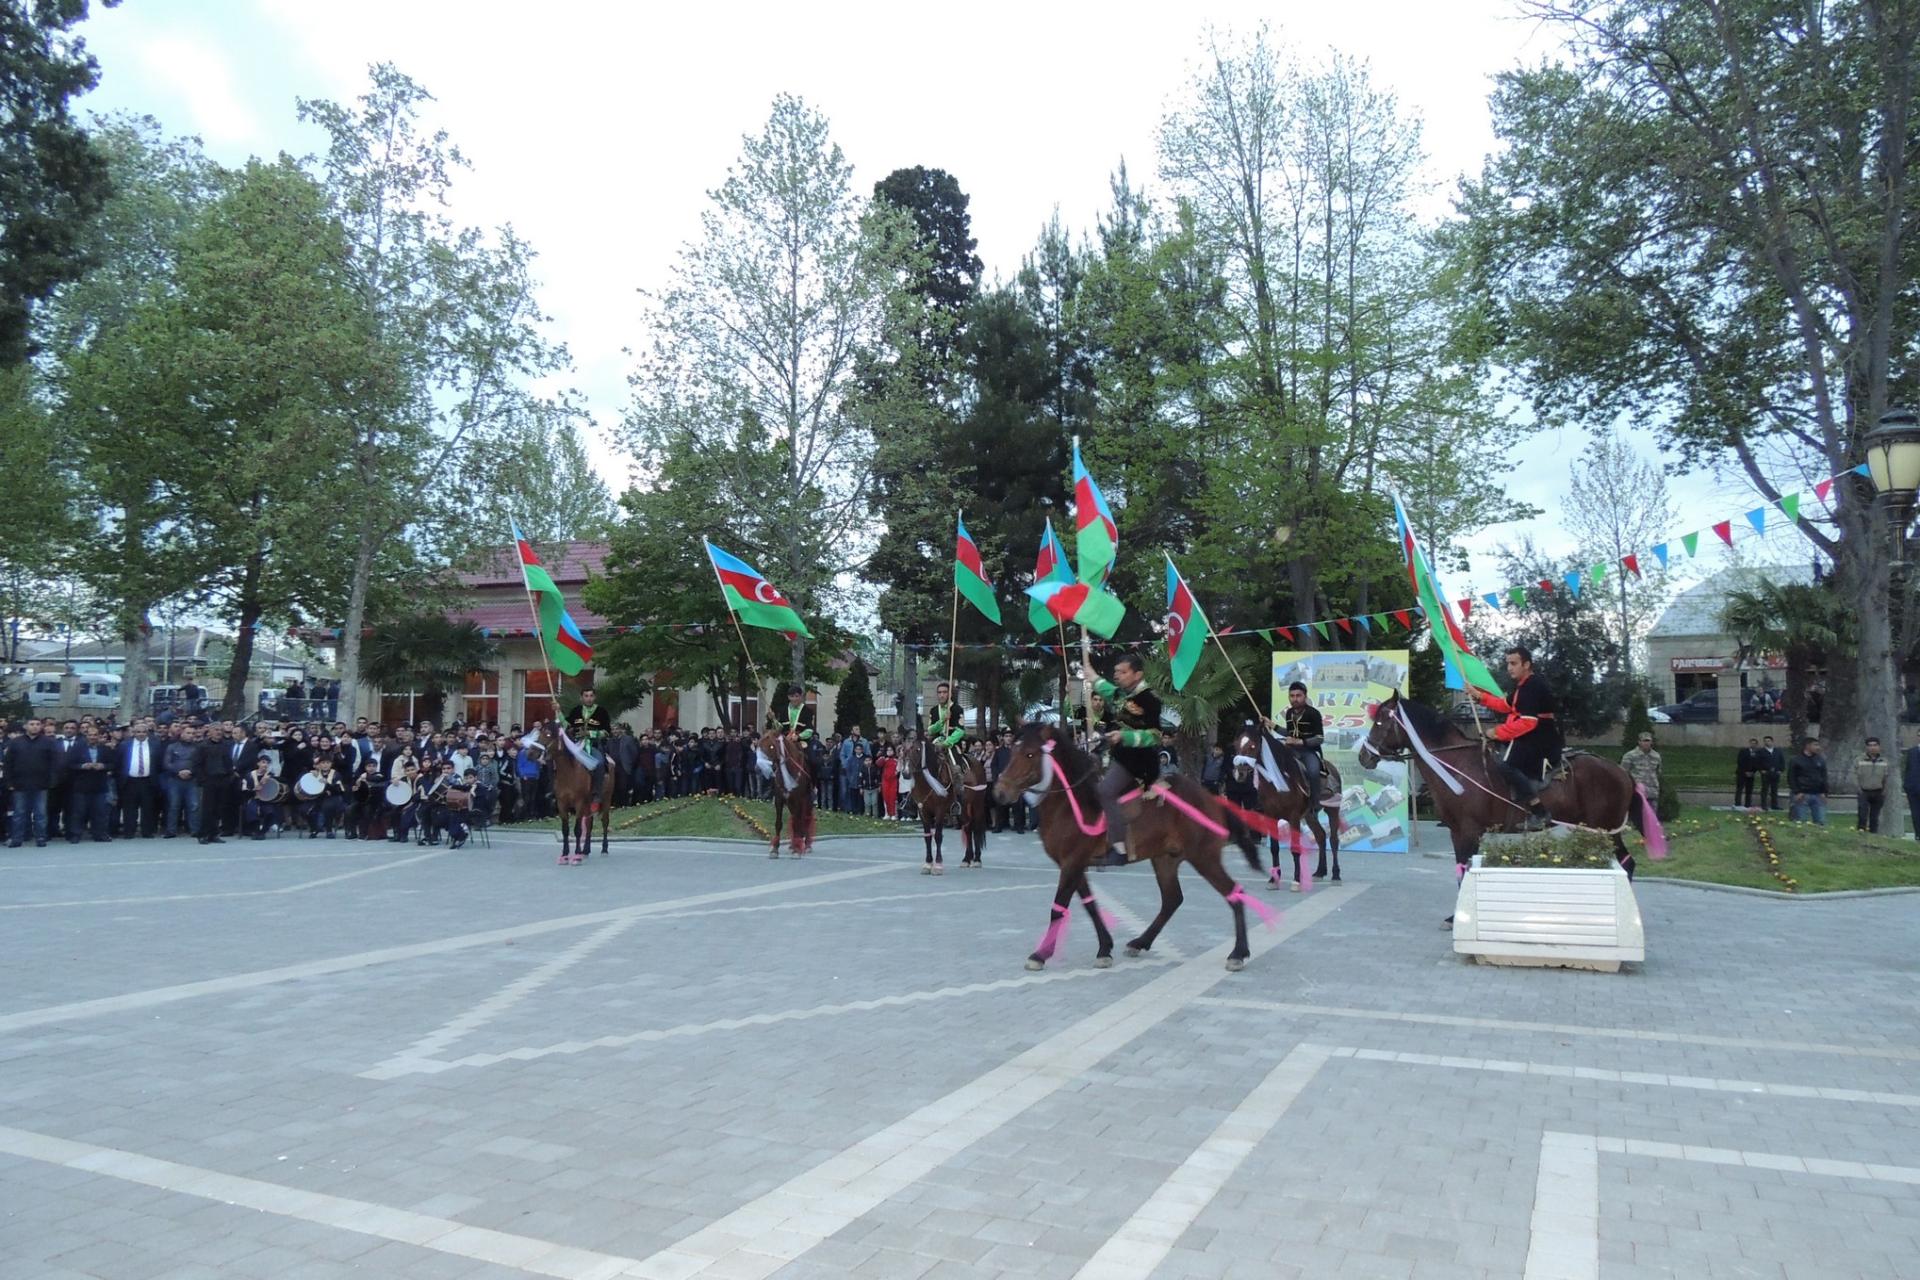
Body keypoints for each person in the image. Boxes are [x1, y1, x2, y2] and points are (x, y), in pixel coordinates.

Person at [1475, 646, 1563, 832]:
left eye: (1513, 663)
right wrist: (1480, 697)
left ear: (1527, 664)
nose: (1509, 668)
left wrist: (1496, 732)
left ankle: (1539, 811)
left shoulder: (1532, 686)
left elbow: (1528, 723)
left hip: (1541, 739)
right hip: (1533, 735)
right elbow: (1506, 705)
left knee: (1505, 765)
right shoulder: (1523, 686)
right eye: (1508, 663)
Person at [1094, 653, 1165, 866]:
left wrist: (1123, 736)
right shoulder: (1121, 694)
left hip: (1137, 760)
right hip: (1119, 753)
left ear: (1138, 674)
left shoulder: (1150, 699)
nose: (1117, 676)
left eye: (1122, 672)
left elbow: (1154, 735)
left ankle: (1119, 847)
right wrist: (1090, 676)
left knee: (1105, 791)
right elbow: (1104, 687)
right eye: (1116, 672)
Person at [4, 718, 62, 848]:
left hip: (41, 784)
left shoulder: (48, 742)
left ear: (41, 727)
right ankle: (16, 839)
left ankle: (41, 837)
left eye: (37, 724)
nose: (35, 727)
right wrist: (9, 782)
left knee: (40, 813)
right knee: (19, 813)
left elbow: (54, 763)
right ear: (25, 726)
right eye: (31, 724)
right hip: (20, 784)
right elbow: (8, 764)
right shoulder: (16, 743)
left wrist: (52, 780)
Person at [65, 726, 114, 843]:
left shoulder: (105, 749)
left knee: (100, 812)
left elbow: (113, 764)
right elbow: (69, 764)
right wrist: (82, 766)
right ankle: (76, 834)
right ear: (86, 736)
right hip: (82, 786)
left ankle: (100, 834)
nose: (93, 737)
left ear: (98, 736)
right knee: (79, 812)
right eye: (90, 735)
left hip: (99, 785)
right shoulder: (77, 748)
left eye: (95, 735)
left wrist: (104, 766)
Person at [1281, 681, 1326, 798]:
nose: (1295, 699)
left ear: (1305, 697)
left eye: (1298, 696)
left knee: (1313, 772)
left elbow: (1319, 738)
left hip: (1308, 751)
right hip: (1290, 750)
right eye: (1292, 696)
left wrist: (1300, 742)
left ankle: (1315, 802)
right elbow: (1289, 734)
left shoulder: (1314, 713)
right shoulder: (1289, 713)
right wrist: (1272, 725)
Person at [116, 722, 160, 839]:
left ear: (148, 733)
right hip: (130, 781)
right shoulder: (125, 745)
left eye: (144, 732)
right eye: (138, 732)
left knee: (148, 807)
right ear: (133, 733)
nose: (141, 734)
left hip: (147, 780)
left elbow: (158, 764)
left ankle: (147, 832)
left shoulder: (155, 745)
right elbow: (119, 763)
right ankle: (129, 831)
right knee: (129, 808)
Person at [1787, 737, 1828, 825]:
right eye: (1815, 745)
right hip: (1802, 795)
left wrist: (1824, 792)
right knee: (1800, 821)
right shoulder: (1796, 760)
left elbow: (1824, 777)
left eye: (1818, 745)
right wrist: (1797, 792)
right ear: (1807, 746)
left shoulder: (1820, 760)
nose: (1818, 747)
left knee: (1821, 821)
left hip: (1818, 795)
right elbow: (1791, 777)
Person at [926, 683, 965, 771]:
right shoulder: (934, 710)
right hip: (935, 742)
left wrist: (946, 743)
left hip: (952, 744)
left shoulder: (957, 709)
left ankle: (958, 783)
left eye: (944, 692)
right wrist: (942, 720)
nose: (942, 695)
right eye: (939, 693)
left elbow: (960, 731)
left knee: (956, 769)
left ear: (950, 694)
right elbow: (930, 730)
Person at [1855, 737, 1889, 833]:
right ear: (1866, 747)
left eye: (1875, 745)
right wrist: (1858, 788)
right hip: (1864, 791)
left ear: (1879, 747)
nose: (1872, 748)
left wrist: (1884, 791)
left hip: (1878, 791)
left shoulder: (1884, 761)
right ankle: (1860, 834)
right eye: (1870, 745)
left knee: (1874, 817)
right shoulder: (1859, 760)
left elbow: (1886, 777)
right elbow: (1854, 775)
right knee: (1862, 815)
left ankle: (1873, 836)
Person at [1621, 732, 1662, 797]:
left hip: (1652, 791)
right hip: (1636, 791)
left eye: (1648, 741)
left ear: (1651, 742)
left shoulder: (1656, 756)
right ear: (1639, 742)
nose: (1646, 743)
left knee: (1652, 807)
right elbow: (1624, 773)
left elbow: (1658, 772)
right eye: (1644, 741)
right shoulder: (1629, 756)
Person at [1735, 737, 1764, 809]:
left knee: (1749, 790)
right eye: (1752, 743)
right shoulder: (1743, 751)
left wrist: (1753, 772)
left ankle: (1747, 804)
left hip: (1751, 774)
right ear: (1749, 743)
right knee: (1739, 789)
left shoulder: (1758, 753)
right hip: (1742, 773)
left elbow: (1758, 764)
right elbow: (1740, 762)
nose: (1753, 745)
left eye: (1754, 744)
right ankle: (1737, 804)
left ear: (1756, 745)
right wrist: (1745, 771)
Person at [1762, 735, 1785, 810]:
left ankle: (1774, 805)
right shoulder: (1761, 751)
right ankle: (1764, 805)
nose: (1767, 742)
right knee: (1765, 789)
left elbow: (1782, 761)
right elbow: (1757, 762)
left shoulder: (1778, 751)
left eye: (1768, 741)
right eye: (1765, 741)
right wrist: (1761, 769)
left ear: (1772, 741)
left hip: (1775, 773)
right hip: (1766, 773)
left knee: (1774, 789)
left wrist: (1780, 770)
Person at [879, 745, 900, 820]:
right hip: (885, 781)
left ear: (894, 751)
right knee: (885, 797)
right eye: (888, 750)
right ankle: (887, 813)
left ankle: (894, 814)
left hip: (893, 781)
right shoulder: (884, 759)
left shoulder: (896, 760)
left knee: (893, 797)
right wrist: (882, 757)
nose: (889, 752)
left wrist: (896, 773)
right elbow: (878, 764)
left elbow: (899, 769)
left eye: (891, 750)